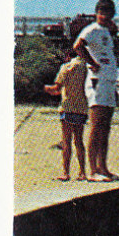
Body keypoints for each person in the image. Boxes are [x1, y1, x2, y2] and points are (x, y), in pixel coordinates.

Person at [74, 0, 119, 181]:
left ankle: (103, 167)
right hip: (97, 81)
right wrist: (92, 63)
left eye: (108, 13)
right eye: (101, 13)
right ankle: (92, 170)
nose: (104, 16)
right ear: (96, 13)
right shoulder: (92, 29)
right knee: (96, 125)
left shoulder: (107, 32)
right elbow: (78, 46)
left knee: (106, 127)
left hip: (108, 81)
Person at [43, 46, 89, 180]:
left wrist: (45, 89)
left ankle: (66, 173)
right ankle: (82, 172)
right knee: (79, 141)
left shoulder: (65, 67)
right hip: (81, 108)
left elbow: (56, 89)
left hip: (67, 106)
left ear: (68, 56)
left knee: (66, 141)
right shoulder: (86, 67)